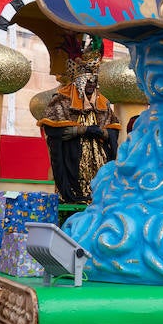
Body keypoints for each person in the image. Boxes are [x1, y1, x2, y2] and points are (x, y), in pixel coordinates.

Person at [39, 35, 121, 204]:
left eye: (94, 81)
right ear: (78, 82)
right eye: (87, 81)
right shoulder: (61, 100)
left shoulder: (103, 103)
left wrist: (103, 132)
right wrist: (83, 130)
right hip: (72, 159)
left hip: (99, 161)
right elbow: (54, 130)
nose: (91, 85)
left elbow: (113, 129)